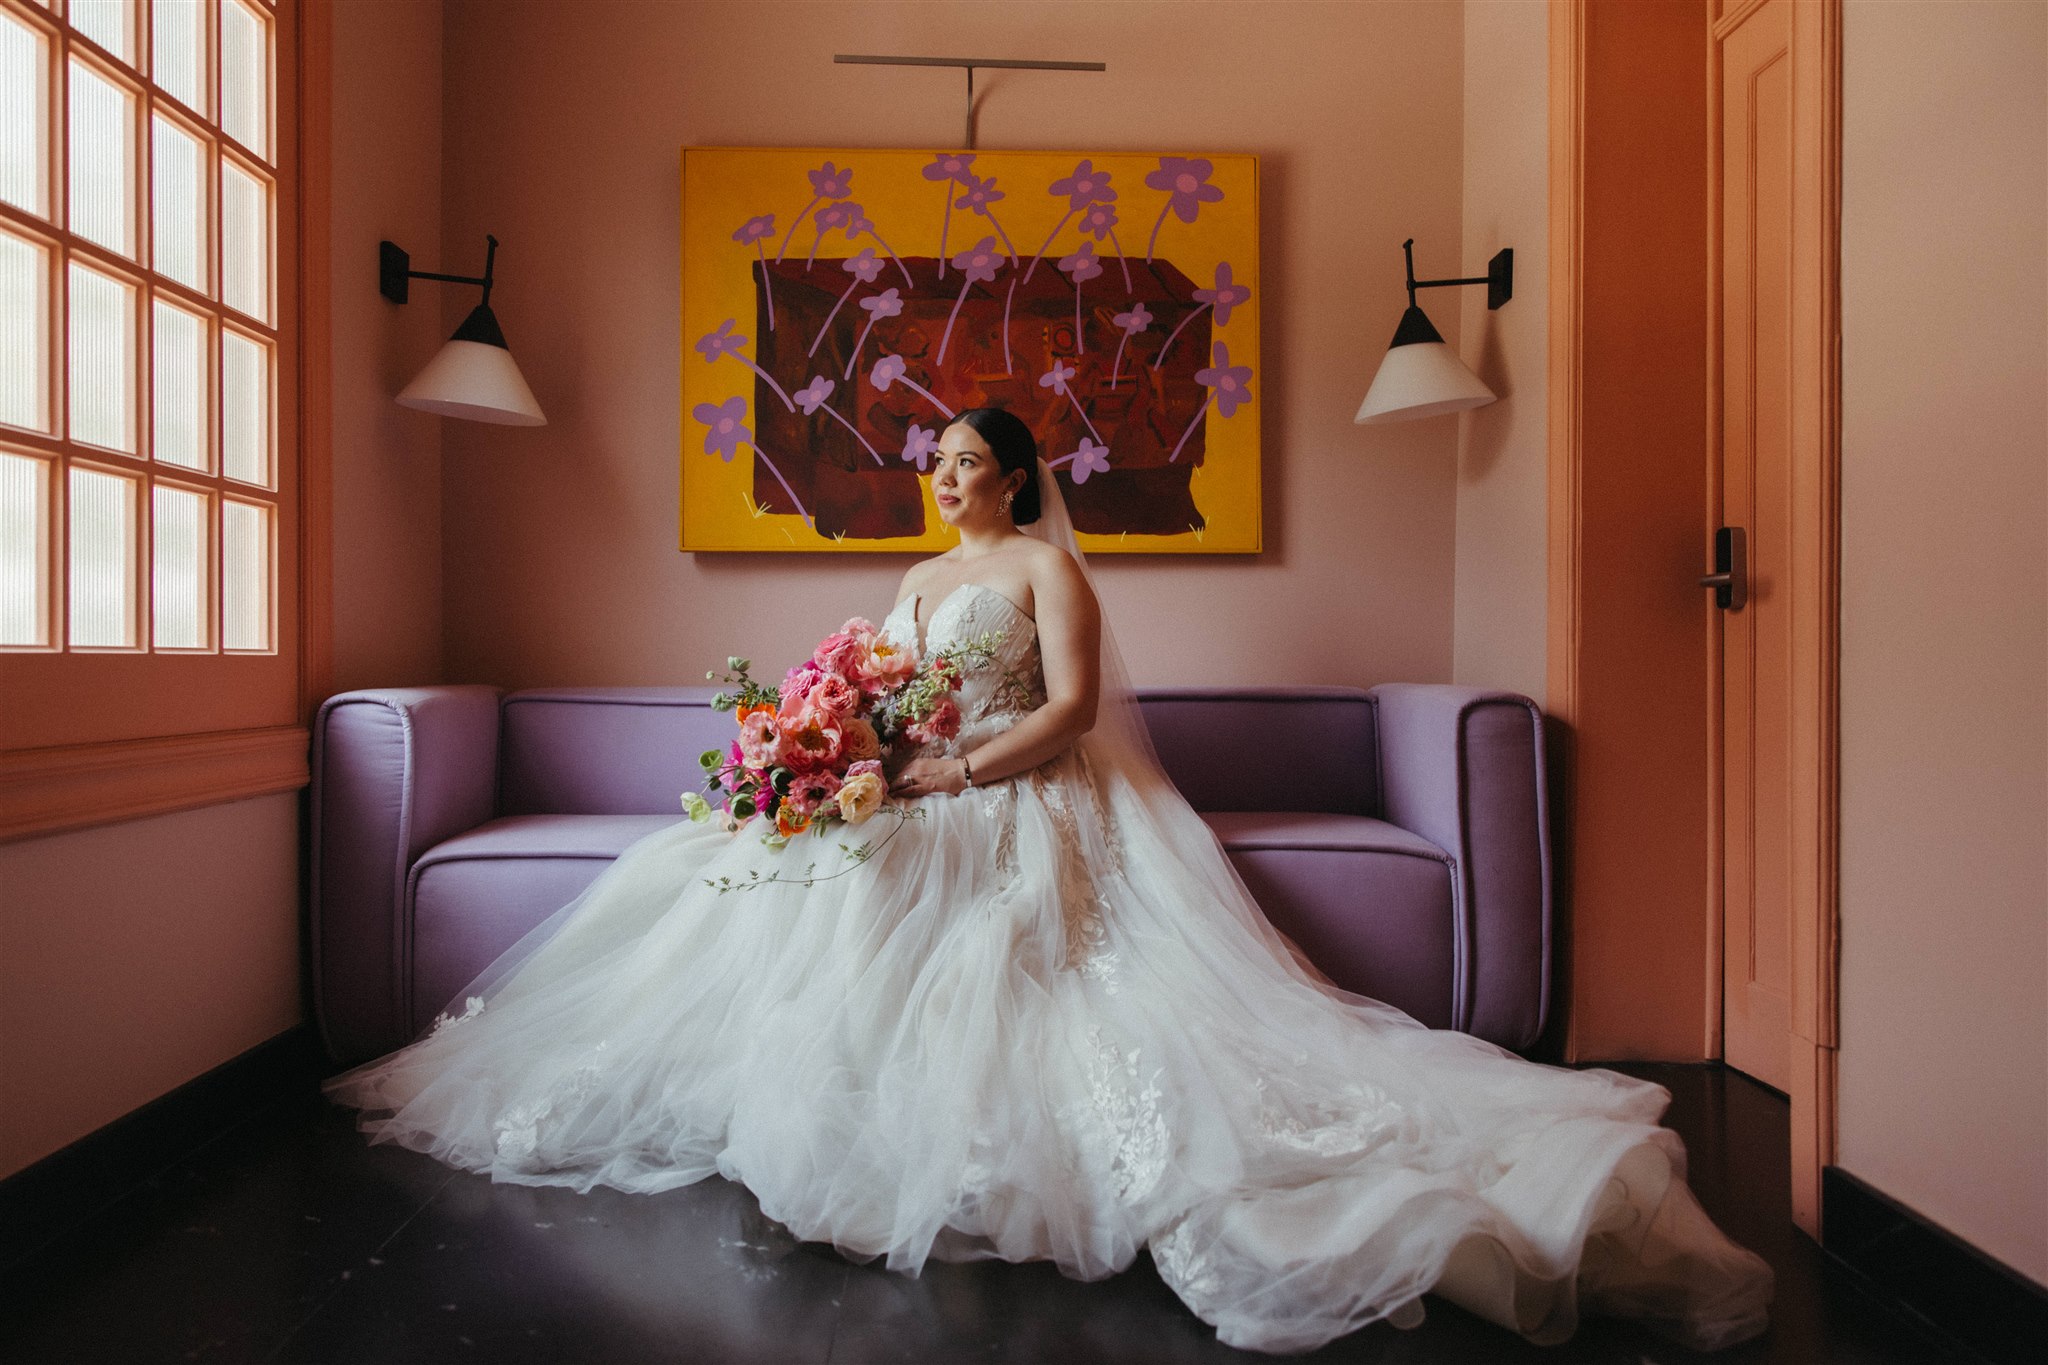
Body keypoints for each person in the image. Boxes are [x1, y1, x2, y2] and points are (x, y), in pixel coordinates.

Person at [322, 408, 1773, 1355]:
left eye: (970, 462)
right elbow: (888, 698)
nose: (948, 479)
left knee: (1043, 974)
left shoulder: (1043, 573)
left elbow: (1072, 716)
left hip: (1030, 801)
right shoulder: (910, 577)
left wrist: (949, 776)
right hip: (918, 790)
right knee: (730, 883)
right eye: (935, 464)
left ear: (1016, 475)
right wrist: (830, 752)